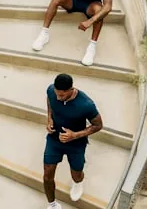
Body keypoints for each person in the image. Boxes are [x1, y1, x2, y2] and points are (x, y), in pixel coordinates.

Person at [43, 73, 103, 208]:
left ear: (71, 89)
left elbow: (98, 125)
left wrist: (74, 135)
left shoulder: (86, 104)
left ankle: (78, 183)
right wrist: (49, 118)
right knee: (47, 175)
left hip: (76, 144)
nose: (58, 98)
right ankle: (52, 205)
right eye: (56, 94)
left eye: (62, 95)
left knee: (76, 175)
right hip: (54, 140)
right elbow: (50, 100)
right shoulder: (51, 91)